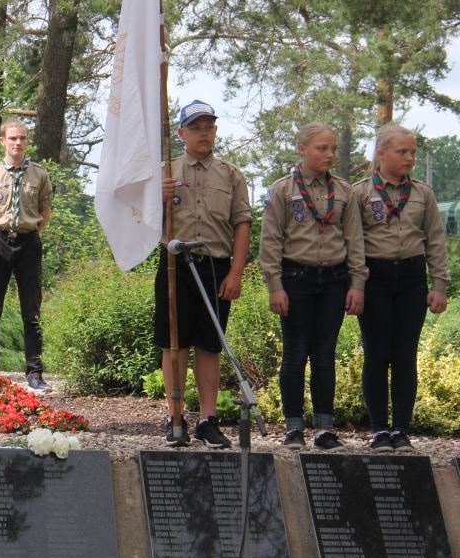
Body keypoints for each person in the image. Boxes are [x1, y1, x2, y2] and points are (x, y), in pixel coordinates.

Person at [260, 122, 366, 450]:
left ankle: (324, 429)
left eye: (333, 148)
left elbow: (355, 240)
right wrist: (274, 285)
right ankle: (293, 427)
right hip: (295, 279)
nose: (330, 154)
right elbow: (271, 241)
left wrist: (357, 283)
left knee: (324, 355)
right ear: (302, 149)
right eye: (322, 148)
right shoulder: (282, 190)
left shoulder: (344, 191)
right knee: (295, 353)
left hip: (334, 280)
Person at [155, 101, 252, 448]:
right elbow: (144, 222)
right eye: (196, 127)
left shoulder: (230, 174)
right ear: (181, 133)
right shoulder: (166, 169)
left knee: (210, 345)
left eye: (209, 127)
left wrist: (236, 273)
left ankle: (208, 420)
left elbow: (241, 224)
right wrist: (158, 199)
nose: (204, 133)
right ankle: (176, 417)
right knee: (174, 343)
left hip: (215, 266)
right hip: (175, 265)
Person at [355, 124, 449, 452]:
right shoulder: (360, 192)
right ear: (381, 154)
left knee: (405, 356)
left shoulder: (423, 193)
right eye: (402, 152)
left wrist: (439, 284)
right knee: (377, 354)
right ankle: (380, 430)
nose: (409, 158)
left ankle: (402, 431)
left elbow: (436, 240)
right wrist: (356, 285)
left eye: (412, 152)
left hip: (411, 278)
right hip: (375, 278)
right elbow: (352, 242)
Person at [0, 118, 54, 392]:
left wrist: (26, 232)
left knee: (31, 310)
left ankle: (34, 374)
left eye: (22, 138)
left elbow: (45, 214)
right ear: (2, 141)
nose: (17, 143)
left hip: (28, 244)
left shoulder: (39, 175)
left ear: (26, 141)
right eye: (12, 138)